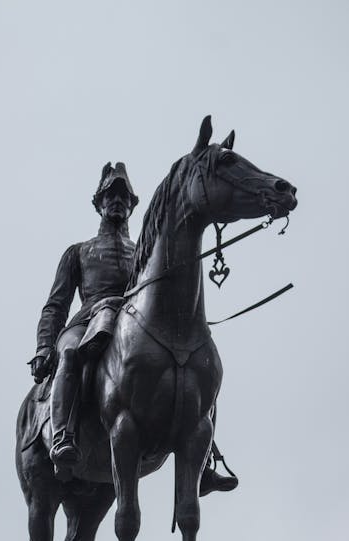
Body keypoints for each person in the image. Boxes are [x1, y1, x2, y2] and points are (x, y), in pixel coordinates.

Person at [29, 162, 237, 495]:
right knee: (68, 354)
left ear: (132, 204)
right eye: (110, 195)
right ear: (98, 203)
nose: (117, 201)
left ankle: (206, 462)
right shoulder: (78, 252)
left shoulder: (146, 250)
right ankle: (63, 437)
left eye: (123, 196)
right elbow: (56, 305)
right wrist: (43, 346)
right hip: (87, 319)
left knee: (196, 367)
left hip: (132, 320)